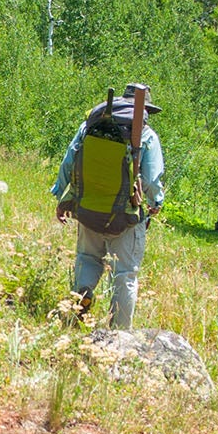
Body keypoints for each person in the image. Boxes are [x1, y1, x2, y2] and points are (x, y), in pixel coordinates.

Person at [51, 90, 166, 330]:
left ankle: (78, 304)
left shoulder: (90, 126)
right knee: (124, 275)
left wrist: (60, 194)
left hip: (87, 208)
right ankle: (119, 335)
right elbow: (153, 180)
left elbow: (69, 160)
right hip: (125, 217)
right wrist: (156, 203)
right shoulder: (146, 135)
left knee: (87, 258)